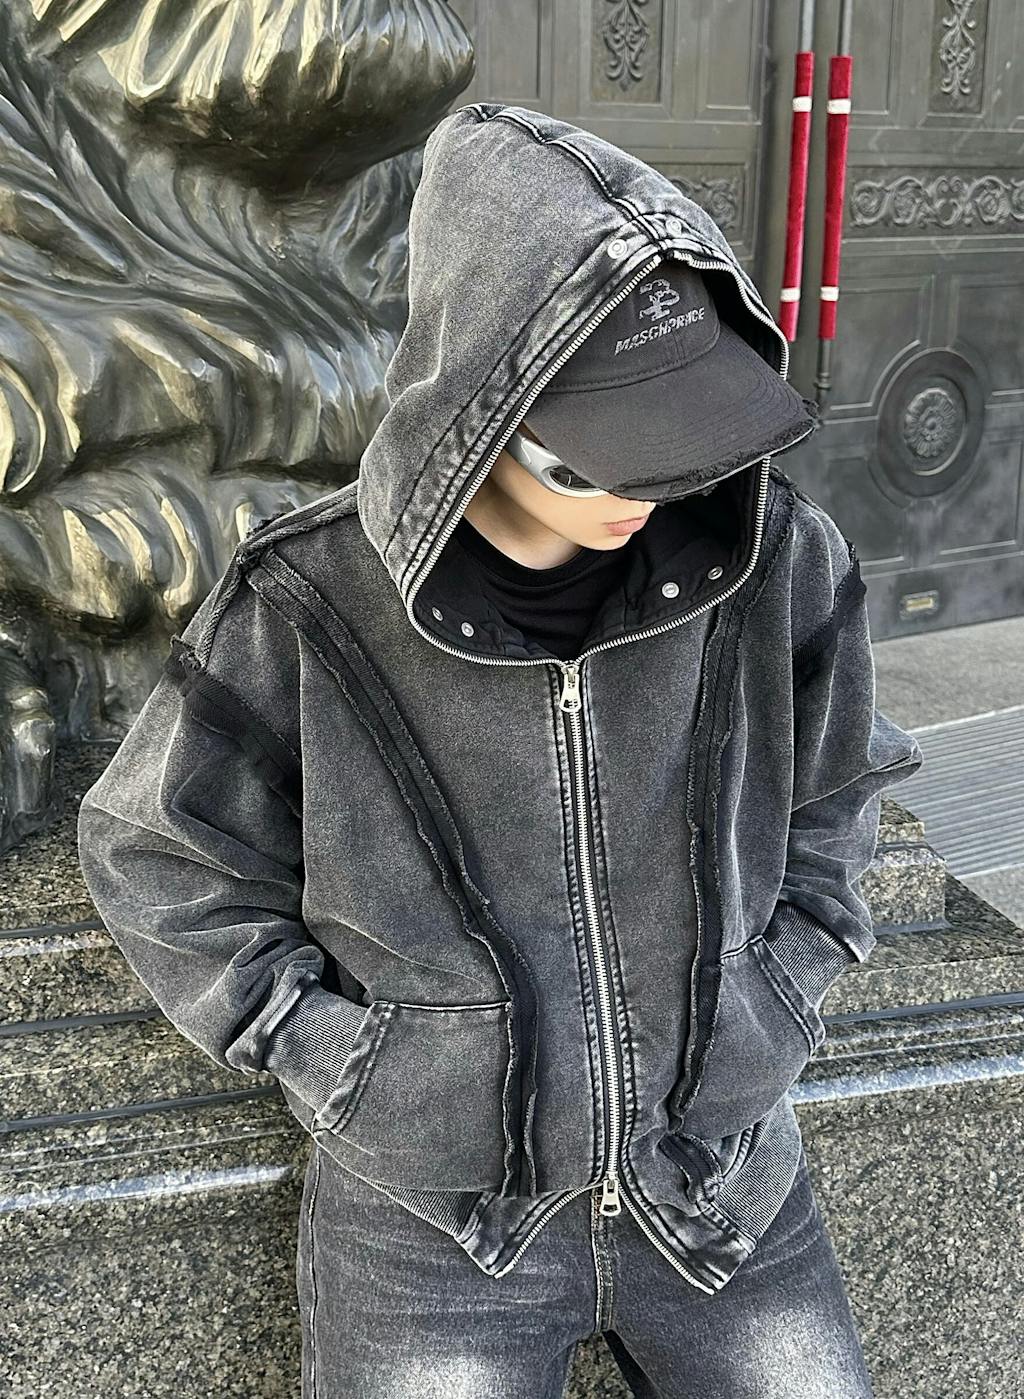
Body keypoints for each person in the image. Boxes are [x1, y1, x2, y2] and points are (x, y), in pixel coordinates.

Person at [76, 102, 924, 1397]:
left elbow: (842, 786)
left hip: (724, 1177)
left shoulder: (778, 558)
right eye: (598, 458)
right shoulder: (308, 597)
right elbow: (156, 849)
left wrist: (780, 994)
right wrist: (349, 1062)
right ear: (479, 409)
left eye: (682, 440)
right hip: (436, 1222)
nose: (649, 491)